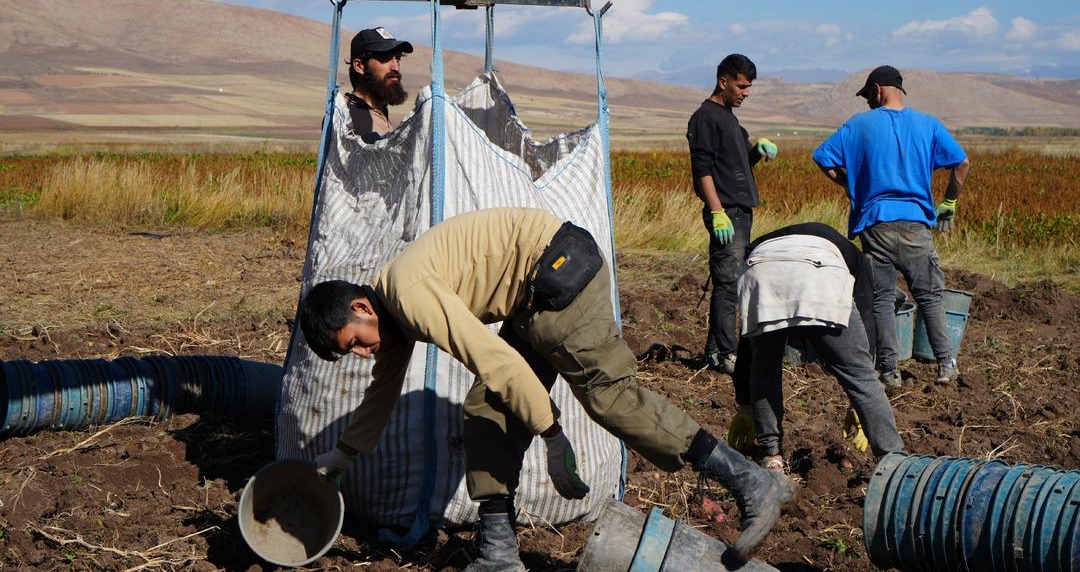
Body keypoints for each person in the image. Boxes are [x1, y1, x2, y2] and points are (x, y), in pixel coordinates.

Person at [298, 208, 795, 569]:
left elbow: (492, 358)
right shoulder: (390, 315)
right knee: (488, 409)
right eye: (353, 354)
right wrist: (338, 461)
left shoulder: (405, 293)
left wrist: (552, 434)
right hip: (530, 296)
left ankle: (751, 481)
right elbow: (381, 395)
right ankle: (499, 553)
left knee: (609, 396)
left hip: (559, 272)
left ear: (362, 308)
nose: (363, 355)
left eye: (354, 343)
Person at [812, 65, 970, 388]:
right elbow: (962, 163)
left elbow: (821, 156)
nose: (867, 102)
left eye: (868, 95)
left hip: (875, 224)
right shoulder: (927, 124)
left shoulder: (857, 126)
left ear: (878, 90)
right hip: (915, 225)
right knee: (929, 296)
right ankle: (945, 365)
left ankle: (889, 372)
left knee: (882, 299)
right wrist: (950, 201)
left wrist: (846, 183)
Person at [726, 223, 905, 469]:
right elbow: (866, 317)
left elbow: (749, 348)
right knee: (859, 373)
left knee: (764, 366)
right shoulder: (853, 255)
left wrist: (745, 403)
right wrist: (864, 386)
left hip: (763, 268)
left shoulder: (762, 243)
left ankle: (771, 456)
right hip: (821, 271)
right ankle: (893, 460)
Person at [686, 54, 778, 374]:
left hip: (740, 212)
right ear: (723, 82)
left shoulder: (730, 119)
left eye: (749, 87)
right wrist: (716, 211)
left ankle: (714, 351)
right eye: (741, 86)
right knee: (728, 284)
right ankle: (728, 355)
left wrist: (756, 151)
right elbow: (703, 169)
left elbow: (735, 166)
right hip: (726, 213)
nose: (746, 92)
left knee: (731, 280)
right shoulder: (705, 118)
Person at [344, 27, 413, 142]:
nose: (396, 67)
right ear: (359, 66)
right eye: (385, 58)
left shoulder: (378, 110)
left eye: (398, 58)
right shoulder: (346, 117)